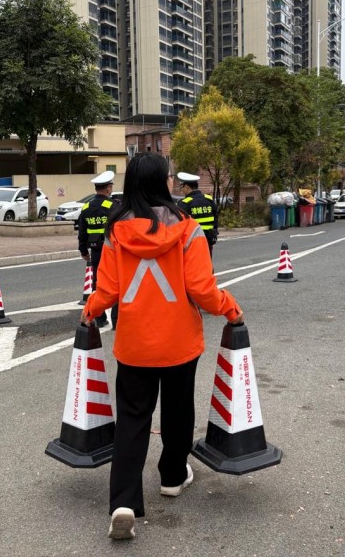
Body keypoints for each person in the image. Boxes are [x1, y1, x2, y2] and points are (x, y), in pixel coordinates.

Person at [80, 153, 244, 541]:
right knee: (177, 410)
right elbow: (202, 290)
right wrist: (231, 309)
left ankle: (123, 502)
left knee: (132, 419)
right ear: (163, 182)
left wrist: (90, 312)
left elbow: (108, 290)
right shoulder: (188, 229)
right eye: (170, 176)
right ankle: (172, 476)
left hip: (134, 344)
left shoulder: (116, 230)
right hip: (179, 344)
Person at [78, 170, 117, 327]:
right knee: (116, 283)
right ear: (108, 188)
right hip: (112, 252)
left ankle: (100, 319)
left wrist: (83, 251)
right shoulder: (113, 206)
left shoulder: (86, 207)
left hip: (95, 252)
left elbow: (82, 232)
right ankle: (116, 320)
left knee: (97, 283)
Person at [175, 172, 219, 257]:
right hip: (209, 240)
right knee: (207, 263)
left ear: (186, 187)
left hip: (192, 243)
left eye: (182, 187)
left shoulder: (184, 203)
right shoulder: (209, 200)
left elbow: (180, 226)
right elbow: (215, 220)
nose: (182, 190)